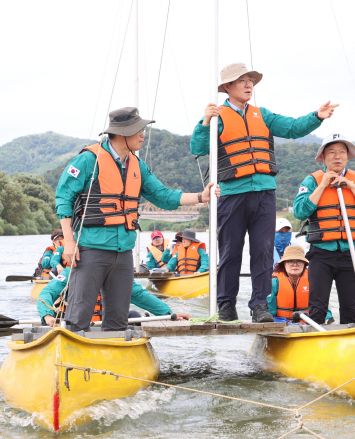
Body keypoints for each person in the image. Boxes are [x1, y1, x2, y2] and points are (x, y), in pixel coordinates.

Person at [190, 62, 339, 323]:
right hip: (232, 193)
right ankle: (226, 305)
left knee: (262, 251)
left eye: (251, 81)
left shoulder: (263, 115)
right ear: (227, 87)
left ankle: (259, 305)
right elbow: (199, 147)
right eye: (242, 81)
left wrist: (317, 116)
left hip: (264, 193)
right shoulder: (217, 115)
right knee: (230, 251)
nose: (249, 85)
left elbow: (292, 128)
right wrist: (205, 121)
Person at [55, 107, 219, 332]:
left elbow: (163, 196)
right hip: (90, 249)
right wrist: (70, 242)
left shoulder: (136, 165)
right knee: (78, 314)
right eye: (139, 130)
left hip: (123, 253)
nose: (143, 134)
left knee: (117, 319)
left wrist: (201, 196)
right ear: (122, 133)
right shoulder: (87, 160)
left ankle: (115, 354)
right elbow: (63, 198)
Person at [294, 133, 355, 324]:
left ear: (348, 157)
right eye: (332, 152)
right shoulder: (312, 181)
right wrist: (324, 184)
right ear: (323, 158)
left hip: (351, 253)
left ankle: (351, 347)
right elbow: (300, 212)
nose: (337, 156)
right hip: (321, 254)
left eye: (342, 152)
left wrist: (351, 187)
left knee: (352, 311)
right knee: (317, 309)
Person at [37, 267, 190, 327]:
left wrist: (169, 314)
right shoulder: (69, 272)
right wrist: (48, 316)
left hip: (108, 325)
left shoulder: (118, 273)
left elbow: (140, 295)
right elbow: (46, 294)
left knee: (134, 316)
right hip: (77, 325)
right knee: (48, 322)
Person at [267, 245, 333, 323]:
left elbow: (321, 304)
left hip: (308, 324)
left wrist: (329, 319)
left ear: (304, 263)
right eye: (290, 261)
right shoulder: (275, 282)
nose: (295, 264)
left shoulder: (313, 280)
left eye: (299, 261)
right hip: (282, 325)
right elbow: (270, 309)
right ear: (284, 264)